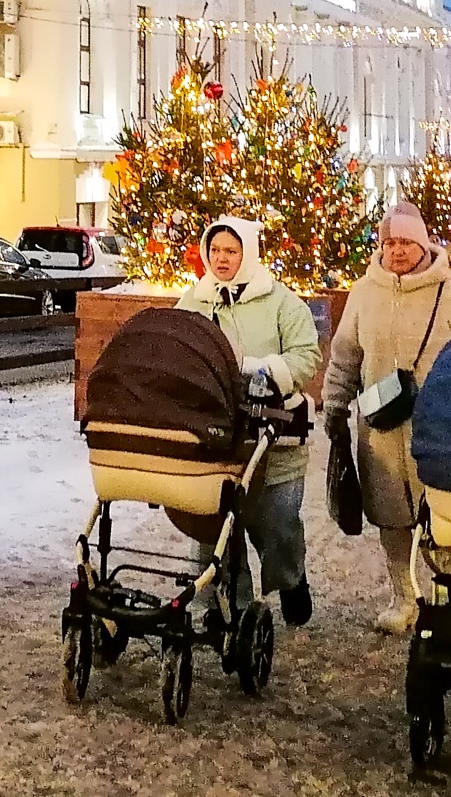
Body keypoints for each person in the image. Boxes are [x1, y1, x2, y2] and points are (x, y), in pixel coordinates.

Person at [320, 201, 451, 633]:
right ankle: (404, 598)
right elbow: (343, 358)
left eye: (406, 242)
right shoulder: (364, 292)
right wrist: (334, 406)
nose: (397, 251)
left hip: (437, 429)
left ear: (423, 244)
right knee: (390, 519)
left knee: (441, 520)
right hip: (379, 428)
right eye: (389, 242)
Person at [176, 217, 324, 627]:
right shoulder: (195, 301)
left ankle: (291, 580)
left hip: (272, 437)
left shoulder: (280, 302)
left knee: (276, 525)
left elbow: (306, 356)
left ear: (248, 254)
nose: (222, 259)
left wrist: (262, 370)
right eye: (216, 251)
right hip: (216, 436)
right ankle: (229, 604)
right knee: (215, 525)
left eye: (231, 251)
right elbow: (178, 349)